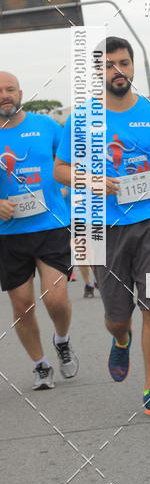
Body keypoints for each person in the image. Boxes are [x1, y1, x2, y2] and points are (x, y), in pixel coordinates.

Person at [54, 37, 150, 421]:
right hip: (100, 226)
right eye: (108, 65)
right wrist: (94, 181)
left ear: (132, 67)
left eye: (123, 63)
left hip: (149, 221)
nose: (117, 71)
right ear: (98, 73)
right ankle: (120, 340)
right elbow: (59, 170)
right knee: (117, 316)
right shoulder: (81, 118)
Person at [0, 71, 79, 390]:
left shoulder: (47, 126)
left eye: (10, 89)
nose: (5, 95)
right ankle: (40, 364)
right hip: (8, 235)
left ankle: (62, 340)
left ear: (21, 92)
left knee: (56, 299)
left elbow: (69, 164)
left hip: (51, 225)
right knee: (22, 304)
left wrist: (67, 184)